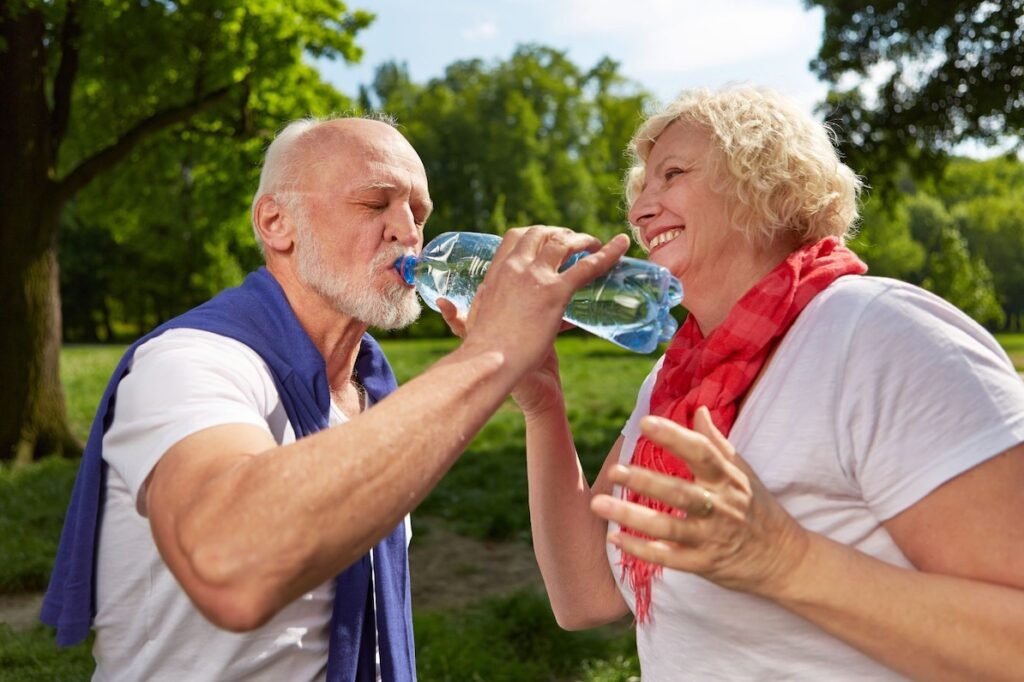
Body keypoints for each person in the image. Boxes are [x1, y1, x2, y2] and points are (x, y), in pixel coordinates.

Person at [41, 114, 630, 682]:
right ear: (276, 222)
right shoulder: (188, 363)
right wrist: (492, 351)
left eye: (418, 212)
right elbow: (229, 564)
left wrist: (532, 390)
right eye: (375, 204)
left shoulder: (372, 387)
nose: (408, 231)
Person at [509, 85, 1024, 680]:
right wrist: (542, 403)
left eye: (672, 174)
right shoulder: (676, 380)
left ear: (766, 183)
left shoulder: (879, 333)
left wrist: (788, 563)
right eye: (641, 189)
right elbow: (586, 596)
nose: (640, 210)